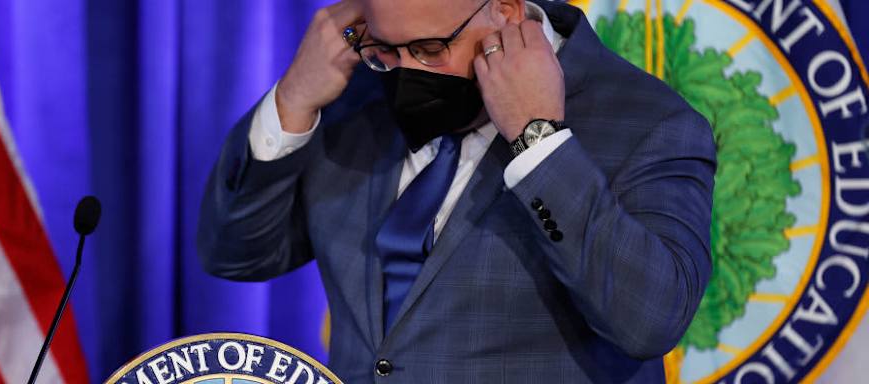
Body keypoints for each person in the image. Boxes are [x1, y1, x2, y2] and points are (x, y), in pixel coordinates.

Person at [197, 0, 715, 382]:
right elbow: (237, 255)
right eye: (385, 50)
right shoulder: (354, 98)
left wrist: (538, 141)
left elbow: (649, 322)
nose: (405, 71)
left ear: (507, 12)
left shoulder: (648, 121)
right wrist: (294, 100)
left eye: (428, 49)